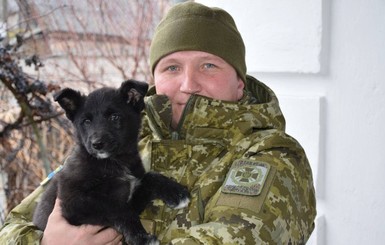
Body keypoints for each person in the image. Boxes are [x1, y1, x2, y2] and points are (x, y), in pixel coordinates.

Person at [0, 1, 316, 244]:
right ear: (154, 80)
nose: (188, 83)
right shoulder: (114, 141)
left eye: (209, 65)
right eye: (172, 68)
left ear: (239, 84)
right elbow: (12, 227)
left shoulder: (269, 155)